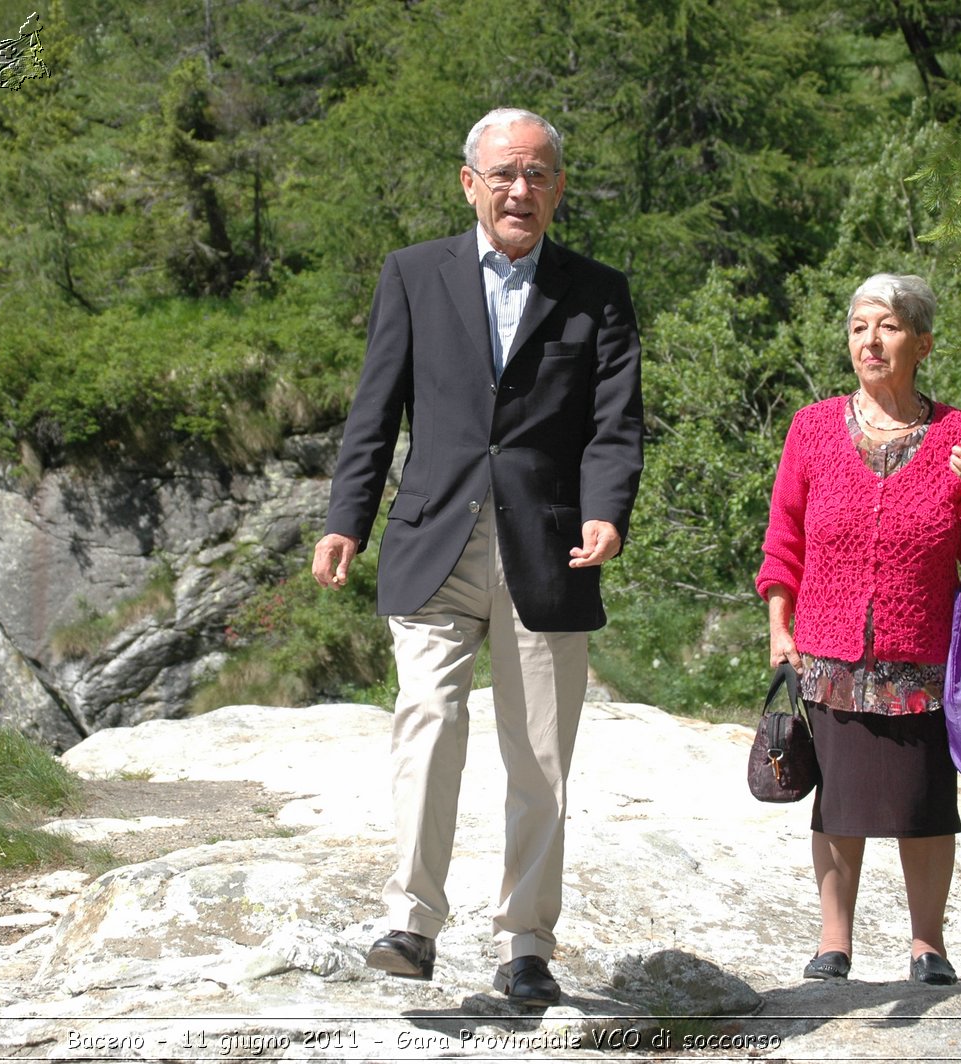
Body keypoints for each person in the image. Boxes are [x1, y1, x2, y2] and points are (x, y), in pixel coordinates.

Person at [311, 107, 643, 1007]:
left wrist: (608, 512)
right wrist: (349, 517)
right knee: (427, 717)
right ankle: (411, 924)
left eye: (537, 174)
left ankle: (527, 943)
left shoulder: (598, 291)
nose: (519, 190)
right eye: (503, 174)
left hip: (550, 547)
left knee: (539, 755)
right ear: (470, 183)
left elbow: (615, 425)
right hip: (433, 540)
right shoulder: (415, 275)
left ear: (559, 189)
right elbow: (375, 408)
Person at [755, 273, 961, 987]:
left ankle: (927, 945)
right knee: (839, 803)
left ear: (921, 343)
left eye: (888, 326)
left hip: (924, 654)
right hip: (829, 651)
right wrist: (781, 627)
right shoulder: (810, 428)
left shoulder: (960, 435)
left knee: (925, 806)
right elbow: (784, 541)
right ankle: (834, 943)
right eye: (860, 326)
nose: (870, 340)